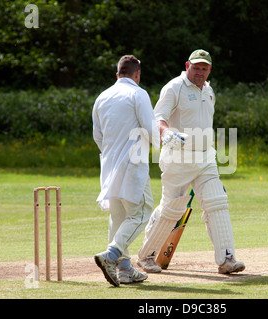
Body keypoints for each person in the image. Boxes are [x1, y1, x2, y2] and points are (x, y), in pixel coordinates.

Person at [137, 49, 245, 275]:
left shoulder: (209, 90)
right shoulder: (174, 87)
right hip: (179, 156)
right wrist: (166, 133)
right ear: (187, 65)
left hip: (206, 157)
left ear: (209, 70)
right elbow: (158, 118)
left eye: (204, 68)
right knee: (172, 209)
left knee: (217, 202)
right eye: (196, 67)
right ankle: (147, 256)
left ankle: (226, 259)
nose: (200, 72)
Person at [92, 55, 159, 287]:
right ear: (137, 74)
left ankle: (125, 270)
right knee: (141, 213)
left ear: (117, 74)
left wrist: (114, 154)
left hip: (109, 167)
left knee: (119, 218)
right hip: (133, 166)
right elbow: (152, 131)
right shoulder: (138, 94)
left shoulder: (102, 97)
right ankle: (110, 256)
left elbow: (97, 136)